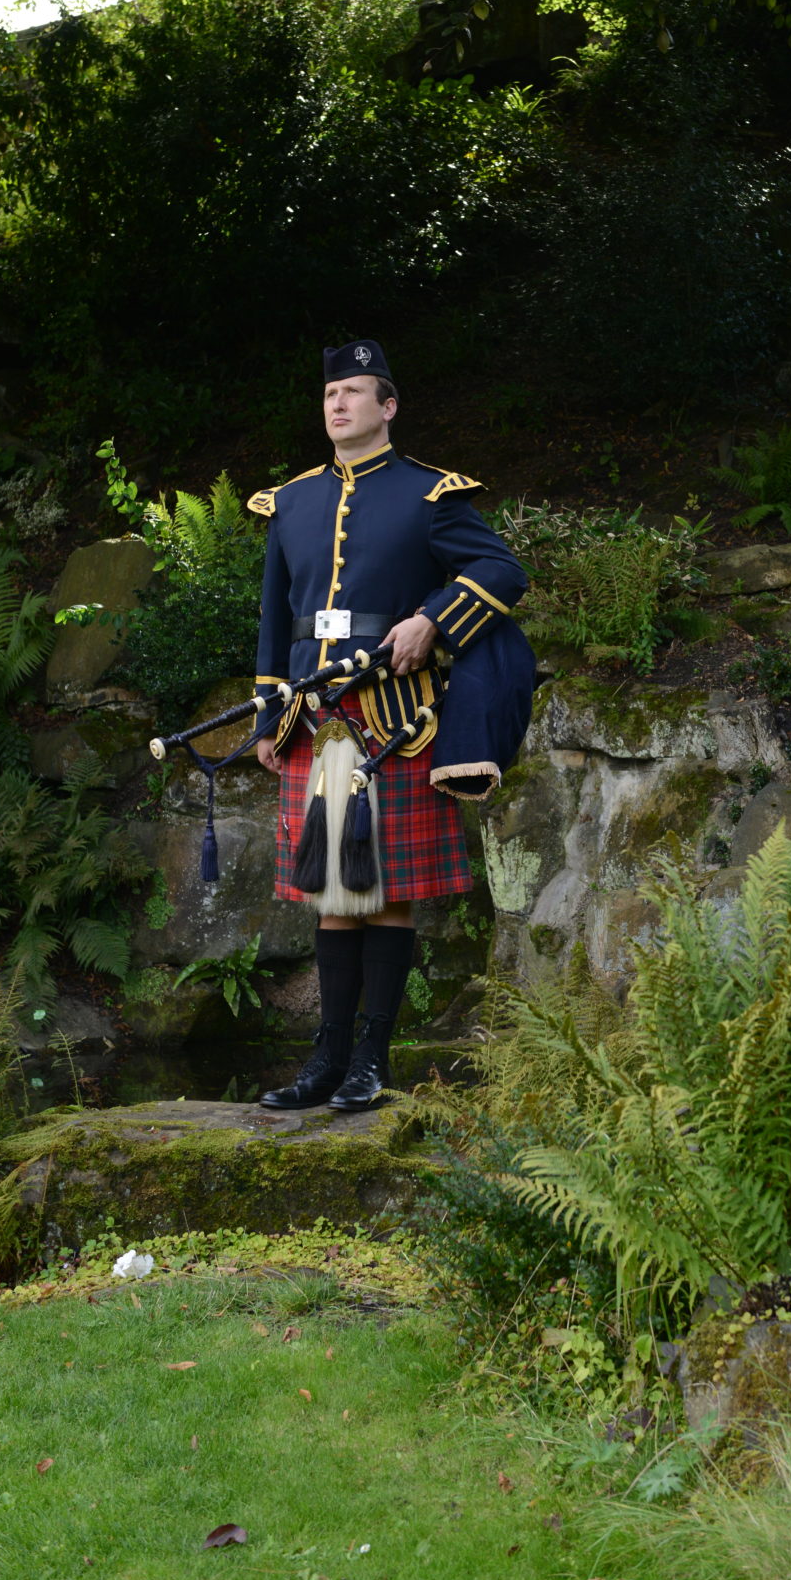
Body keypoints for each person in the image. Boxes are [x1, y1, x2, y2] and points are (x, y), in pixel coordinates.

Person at [248, 338, 533, 1111]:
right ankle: (325, 1065)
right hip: (313, 716)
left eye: (355, 392)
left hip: (396, 717)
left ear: (388, 405)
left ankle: (371, 1065)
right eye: (330, 393)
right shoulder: (291, 500)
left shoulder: (429, 494)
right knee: (332, 894)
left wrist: (433, 620)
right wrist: (269, 714)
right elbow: (275, 617)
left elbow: (503, 571)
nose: (338, 404)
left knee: (389, 894)